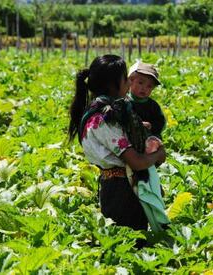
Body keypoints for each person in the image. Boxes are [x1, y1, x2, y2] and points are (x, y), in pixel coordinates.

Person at [68, 55, 166, 233]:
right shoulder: (104, 118)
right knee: (131, 241)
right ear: (113, 85)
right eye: (125, 79)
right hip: (122, 191)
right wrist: (158, 155)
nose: (129, 84)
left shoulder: (99, 111)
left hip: (115, 186)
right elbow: (136, 161)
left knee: (123, 241)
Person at [128, 61, 166, 140]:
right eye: (140, 83)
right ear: (130, 81)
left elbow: (161, 123)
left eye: (149, 86)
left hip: (149, 139)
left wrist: (151, 125)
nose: (144, 88)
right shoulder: (124, 101)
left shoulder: (153, 106)